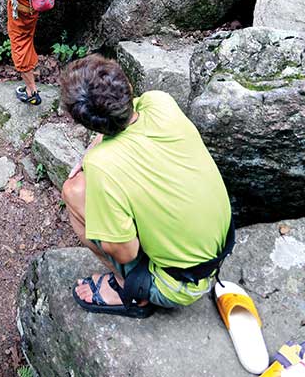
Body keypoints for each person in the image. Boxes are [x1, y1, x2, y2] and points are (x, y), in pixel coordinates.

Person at [60, 54, 233, 317]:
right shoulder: (160, 102)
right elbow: (124, 118)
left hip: (176, 286)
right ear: (128, 87)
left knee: (73, 191)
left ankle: (128, 290)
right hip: (218, 249)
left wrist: (91, 157)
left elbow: (126, 253)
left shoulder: (103, 166)